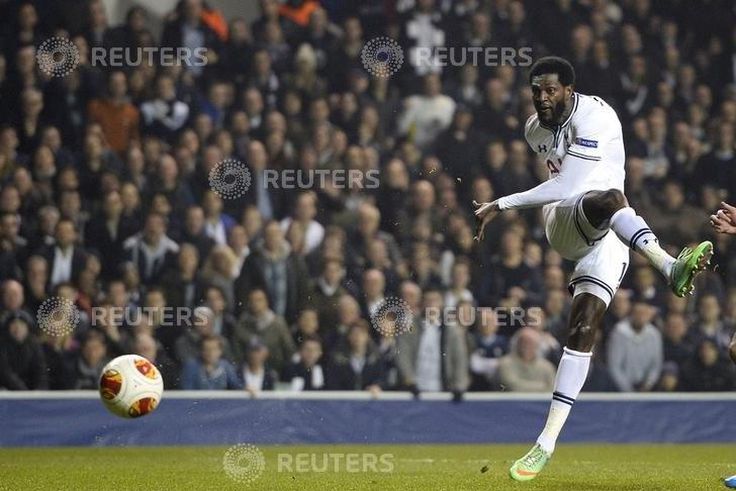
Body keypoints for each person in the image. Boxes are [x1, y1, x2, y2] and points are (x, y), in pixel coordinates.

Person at [473, 56, 713, 481]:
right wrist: (509, 202)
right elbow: (565, 189)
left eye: (550, 90)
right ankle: (669, 265)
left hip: (611, 235)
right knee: (610, 198)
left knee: (582, 330)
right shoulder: (533, 130)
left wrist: (501, 203)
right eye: (536, 91)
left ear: (569, 89)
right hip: (565, 224)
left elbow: (569, 181)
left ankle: (544, 443)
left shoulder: (596, 115)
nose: (542, 98)